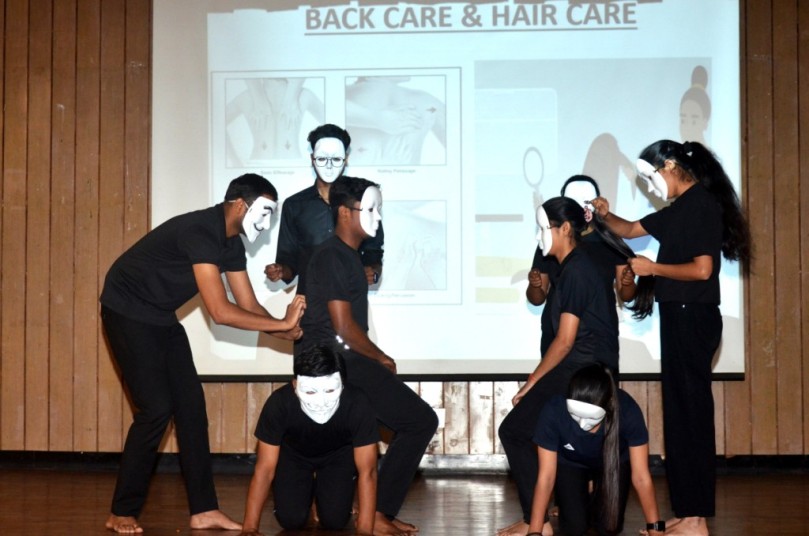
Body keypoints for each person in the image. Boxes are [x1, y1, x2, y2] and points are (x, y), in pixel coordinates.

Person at [100, 173, 305, 534]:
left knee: (191, 409)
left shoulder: (231, 244)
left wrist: (283, 328)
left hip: (160, 316)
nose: (267, 223)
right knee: (155, 410)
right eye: (265, 212)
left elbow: (248, 305)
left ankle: (204, 510)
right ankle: (121, 511)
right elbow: (221, 312)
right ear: (240, 205)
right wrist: (280, 325)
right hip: (126, 311)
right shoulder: (200, 231)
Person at [592, 140, 751, 536]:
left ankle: (697, 521)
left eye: (651, 177)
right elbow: (631, 229)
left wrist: (654, 269)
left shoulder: (701, 206)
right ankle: (688, 512)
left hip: (693, 318)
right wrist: (605, 215)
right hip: (679, 317)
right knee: (680, 418)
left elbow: (702, 270)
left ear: (671, 165)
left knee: (692, 419)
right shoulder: (679, 208)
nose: (650, 186)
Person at [299, 175, 438, 535]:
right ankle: (376, 513)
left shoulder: (346, 256)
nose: (377, 217)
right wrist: (380, 357)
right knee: (419, 421)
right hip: (335, 363)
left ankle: (372, 510)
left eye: (379, 210)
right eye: (370, 209)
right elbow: (343, 326)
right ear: (345, 212)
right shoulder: (333, 255)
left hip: (342, 360)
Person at [498, 196, 632, 536]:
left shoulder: (577, 269)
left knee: (513, 431)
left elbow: (565, 341)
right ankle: (540, 519)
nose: (539, 236)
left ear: (566, 229)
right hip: (579, 369)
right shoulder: (576, 266)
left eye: (545, 229)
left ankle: (537, 521)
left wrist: (531, 382)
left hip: (580, 372)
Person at [240, 345, 379, 535]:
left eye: (330, 390)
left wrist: (364, 531)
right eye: (311, 392)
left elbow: (368, 471)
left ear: (343, 385)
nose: (321, 402)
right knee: (291, 520)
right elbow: (264, 470)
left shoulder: (357, 403)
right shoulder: (279, 403)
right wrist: (249, 528)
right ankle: (308, 498)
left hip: (338, 455)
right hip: (293, 455)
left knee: (335, 521)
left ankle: (328, 500)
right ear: (295, 385)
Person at [527, 364, 664, 536]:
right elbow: (546, 477)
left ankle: (592, 494)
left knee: (609, 528)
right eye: (576, 415)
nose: (583, 424)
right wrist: (534, 532)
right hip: (570, 462)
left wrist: (656, 529)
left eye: (592, 418)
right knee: (574, 528)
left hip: (613, 463)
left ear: (608, 406)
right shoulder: (554, 409)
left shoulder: (627, 410)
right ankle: (577, 500)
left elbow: (642, 477)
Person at [526, 175, 637, 356]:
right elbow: (537, 299)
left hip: (597, 338)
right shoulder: (550, 242)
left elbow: (626, 295)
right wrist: (535, 285)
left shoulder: (610, 239)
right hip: (556, 333)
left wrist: (628, 282)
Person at [265, 123, 384, 292]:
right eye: (322, 159)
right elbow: (289, 260)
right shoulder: (295, 205)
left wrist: (373, 272)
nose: (329, 166)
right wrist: (280, 271)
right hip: (309, 300)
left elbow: (374, 252)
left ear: (345, 159)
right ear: (312, 159)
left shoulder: (363, 200)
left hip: (351, 298)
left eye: (336, 159)